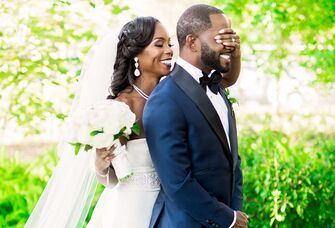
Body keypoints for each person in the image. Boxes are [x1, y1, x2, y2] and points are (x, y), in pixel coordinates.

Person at [143, 4, 248, 228]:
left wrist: (235, 212)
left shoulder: (217, 86)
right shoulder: (165, 99)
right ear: (192, 42)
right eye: (220, 37)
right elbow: (177, 182)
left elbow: (232, 162)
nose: (227, 44)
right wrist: (227, 219)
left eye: (230, 36)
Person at [86, 16, 173, 227]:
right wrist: (101, 165)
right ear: (136, 54)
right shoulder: (121, 108)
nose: (169, 50)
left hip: (172, 208)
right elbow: (113, 180)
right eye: (159, 44)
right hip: (131, 211)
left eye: (170, 44)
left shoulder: (173, 98)